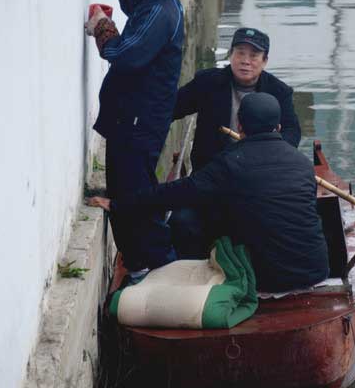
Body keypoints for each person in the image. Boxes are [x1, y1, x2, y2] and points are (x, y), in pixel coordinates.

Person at [88, 93, 329, 293]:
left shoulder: (230, 163)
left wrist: (120, 204)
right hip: (315, 271)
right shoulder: (302, 163)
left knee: (189, 221)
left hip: (260, 280)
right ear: (278, 127)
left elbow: (176, 193)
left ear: (240, 125)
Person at [85, 0, 187, 275]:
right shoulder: (157, 1)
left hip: (139, 123)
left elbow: (124, 53)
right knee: (129, 193)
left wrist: (100, 24)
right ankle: (143, 266)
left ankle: (159, 266)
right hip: (134, 118)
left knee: (136, 198)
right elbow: (131, 0)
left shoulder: (161, 12)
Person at [172, 27, 301, 171]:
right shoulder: (207, 83)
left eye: (253, 56)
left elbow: (292, 132)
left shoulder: (278, 91)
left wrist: (270, 152)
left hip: (260, 168)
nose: (245, 61)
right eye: (240, 53)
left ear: (264, 61)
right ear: (230, 55)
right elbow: (171, 108)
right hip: (212, 169)